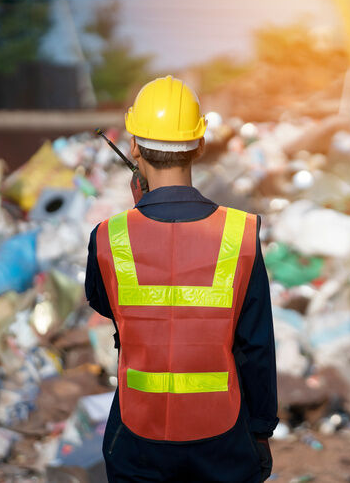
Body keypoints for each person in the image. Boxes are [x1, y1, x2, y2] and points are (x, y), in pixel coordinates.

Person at [85, 75, 278, 482]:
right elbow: (257, 343)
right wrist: (259, 432)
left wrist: (142, 211)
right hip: (223, 435)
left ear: (134, 146)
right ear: (201, 145)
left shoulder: (109, 236)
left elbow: (107, 304)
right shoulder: (240, 233)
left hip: (138, 434)